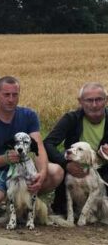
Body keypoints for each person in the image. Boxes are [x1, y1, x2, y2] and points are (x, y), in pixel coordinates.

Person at [0, 76, 64, 218]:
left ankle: (24, 202)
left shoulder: (29, 116)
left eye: (15, 95)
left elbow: (38, 148)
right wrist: (6, 159)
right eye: (6, 95)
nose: (11, 99)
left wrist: (42, 174)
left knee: (56, 172)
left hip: (22, 168)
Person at [44, 82, 108, 214]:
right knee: (61, 210)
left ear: (106, 100)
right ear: (80, 101)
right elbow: (48, 143)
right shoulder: (71, 119)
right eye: (89, 100)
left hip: (104, 171)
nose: (94, 105)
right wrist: (66, 164)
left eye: (99, 99)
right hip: (74, 170)